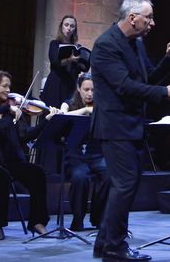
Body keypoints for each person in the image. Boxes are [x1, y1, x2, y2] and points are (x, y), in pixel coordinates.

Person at [91, 0, 170, 261]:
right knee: (125, 185)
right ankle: (114, 248)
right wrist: (164, 93)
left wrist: (169, 60)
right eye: (149, 17)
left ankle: (104, 243)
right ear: (133, 17)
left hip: (132, 126)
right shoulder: (105, 45)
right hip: (115, 127)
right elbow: (124, 87)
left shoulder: (136, 44)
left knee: (125, 186)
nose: (153, 23)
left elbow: (147, 79)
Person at [0, 69, 58, 240]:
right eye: (4, 86)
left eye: (9, 86)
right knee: (1, 175)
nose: (9, 90)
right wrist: (7, 109)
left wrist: (45, 122)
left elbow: (25, 136)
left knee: (37, 173)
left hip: (9, 160)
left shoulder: (14, 111)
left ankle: (37, 222)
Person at [59, 73, 109, 231]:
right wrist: (85, 111)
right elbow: (62, 116)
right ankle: (78, 218)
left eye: (93, 90)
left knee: (108, 173)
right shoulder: (69, 104)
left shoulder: (101, 105)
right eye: (86, 89)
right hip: (75, 157)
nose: (90, 93)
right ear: (78, 89)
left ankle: (98, 217)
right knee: (80, 177)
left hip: (96, 155)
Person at [42, 15, 89, 107]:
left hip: (70, 84)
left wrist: (81, 61)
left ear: (75, 29)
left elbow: (85, 68)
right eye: (66, 25)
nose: (69, 28)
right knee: (53, 113)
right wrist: (69, 60)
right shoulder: (55, 44)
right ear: (61, 26)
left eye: (72, 26)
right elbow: (55, 63)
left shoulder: (77, 47)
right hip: (56, 84)